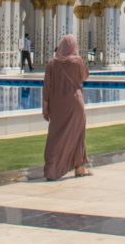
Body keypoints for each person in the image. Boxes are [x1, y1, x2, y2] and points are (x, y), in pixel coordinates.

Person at [42, 34, 91, 180]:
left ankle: (51, 168)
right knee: (78, 135)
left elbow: (46, 87)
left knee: (55, 135)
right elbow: (84, 76)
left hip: (57, 105)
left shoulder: (52, 63)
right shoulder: (77, 62)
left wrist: (45, 108)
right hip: (75, 104)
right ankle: (79, 167)